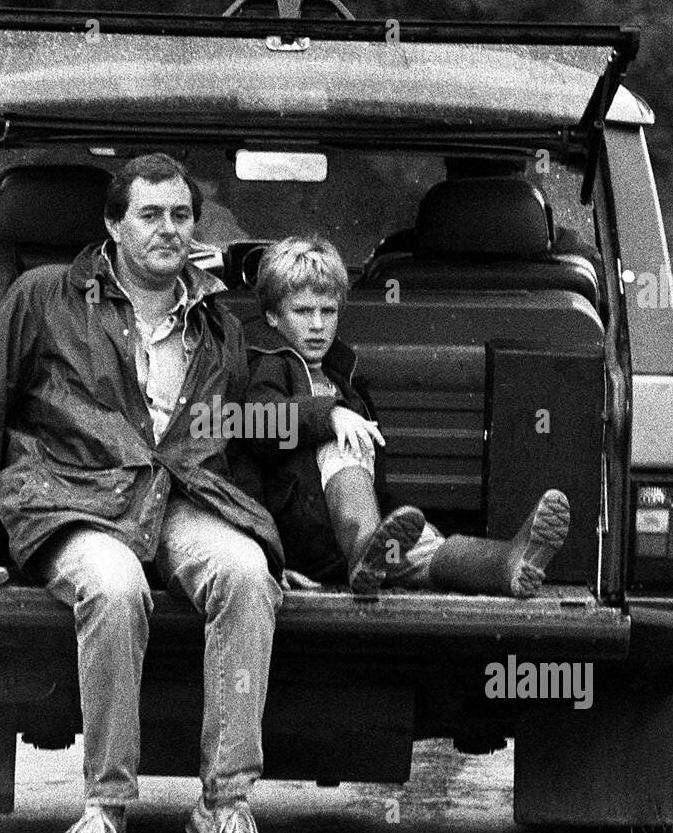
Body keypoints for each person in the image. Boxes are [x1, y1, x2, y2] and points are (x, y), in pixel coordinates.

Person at [0, 153, 284, 833]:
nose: (168, 230)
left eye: (181, 215)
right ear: (113, 226)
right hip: (69, 494)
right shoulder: (42, 295)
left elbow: (235, 438)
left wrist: (295, 514)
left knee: (248, 573)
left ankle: (225, 805)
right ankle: (106, 807)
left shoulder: (217, 320)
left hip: (181, 496)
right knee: (115, 587)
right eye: (150, 215)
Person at [236, 235, 570, 596]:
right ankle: (368, 545)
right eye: (302, 312)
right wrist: (331, 416)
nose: (317, 324)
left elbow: (366, 480)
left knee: (426, 547)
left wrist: (396, 519)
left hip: (351, 545)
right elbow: (257, 424)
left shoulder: (341, 379)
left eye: (327, 311)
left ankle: (505, 564)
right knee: (343, 439)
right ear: (272, 316)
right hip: (303, 537)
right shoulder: (268, 365)